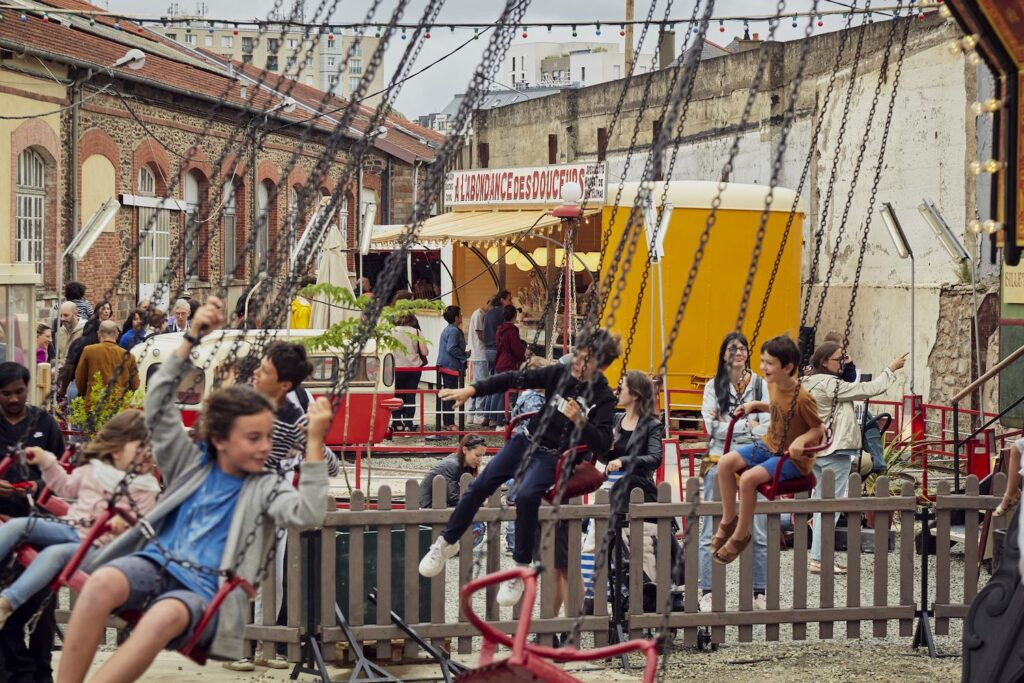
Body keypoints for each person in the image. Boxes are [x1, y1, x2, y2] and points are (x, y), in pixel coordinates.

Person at [57, 296, 333, 683]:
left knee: (162, 617)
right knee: (100, 584)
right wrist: (190, 337)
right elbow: (158, 400)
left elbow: (308, 513)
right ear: (220, 438)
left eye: (267, 437)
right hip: (157, 561)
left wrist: (316, 444)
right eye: (253, 438)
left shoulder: (265, 487)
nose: (265, 447)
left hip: (204, 587)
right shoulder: (188, 463)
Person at [420, 329, 619, 607]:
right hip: (526, 440)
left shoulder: (603, 396)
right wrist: (473, 389)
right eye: (577, 355)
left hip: (551, 455)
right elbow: (515, 378)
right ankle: (445, 543)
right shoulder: (559, 375)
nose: (576, 362)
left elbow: (603, 443)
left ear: (601, 365)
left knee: (526, 496)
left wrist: (581, 422)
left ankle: (519, 568)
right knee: (480, 485)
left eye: (584, 360)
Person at [0, 410, 160, 629]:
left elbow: (143, 529)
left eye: (152, 449)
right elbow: (64, 486)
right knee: (16, 525)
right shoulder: (94, 471)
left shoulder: (145, 489)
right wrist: (46, 462)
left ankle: (6, 603)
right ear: (115, 451)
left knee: (55, 554)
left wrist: (124, 527)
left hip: (101, 550)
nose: (149, 454)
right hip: (71, 529)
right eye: (141, 448)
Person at [712, 335, 825, 565]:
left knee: (748, 480)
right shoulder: (773, 385)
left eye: (769, 363)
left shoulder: (803, 398)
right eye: (762, 361)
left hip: (791, 459)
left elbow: (818, 428)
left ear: (788, 367)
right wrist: (756, 405)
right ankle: (728, 519)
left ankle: (741, 534)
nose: (763, 367)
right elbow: (777, 408)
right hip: (768, 444)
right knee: (725, 464)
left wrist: (802, 439)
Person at [803, 342, 906, 574]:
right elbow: (869, 389)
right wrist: (891, 369)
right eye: (838, 359)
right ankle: (819, 559)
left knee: (821, 505)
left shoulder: (807, 380)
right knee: (832, 505)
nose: (842, 363)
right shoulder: (831, 384)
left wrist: (845, 363)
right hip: (834, 450)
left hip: (816, 450)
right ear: (823, 361)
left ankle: (818, 557)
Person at [0, 362, 65, 683]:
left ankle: (41, 673)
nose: (13, 399)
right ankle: (16, 673)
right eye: (6, 393)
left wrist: (40, 487)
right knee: (5, 606)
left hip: (40, 524)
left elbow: (62, 471)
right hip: (2, 526)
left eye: (19, 392)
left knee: (42, 607)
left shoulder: (44, 423)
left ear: (28, 390)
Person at [698, 332, 770, 611]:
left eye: (743, 348)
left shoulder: (760, 385)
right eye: (732, 348)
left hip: (754, 456)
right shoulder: (713, 387)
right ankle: (708, 589)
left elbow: (768, 424)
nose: (739, 353)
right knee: (712, 526)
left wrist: (739, 426)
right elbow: (712, 426)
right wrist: (747, 426)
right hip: (720, 456)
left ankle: (759, 591)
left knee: (759, 526)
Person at [252, 341, 341, 477]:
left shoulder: (294, 420)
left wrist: (313, 438)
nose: (255, 372)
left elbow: (333, 468)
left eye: (265, 371)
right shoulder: (244, 400)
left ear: (285, 385)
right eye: (260, 366)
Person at [75, 320, 141, 406]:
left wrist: (86, 394)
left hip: (94, 404)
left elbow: (80, 378)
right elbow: (135, 385)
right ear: (117, 334)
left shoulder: (88, 351)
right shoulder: (129, 356)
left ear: (99, 333)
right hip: (117, 407)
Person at [392, 314, 428, 432]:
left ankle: (397, 424)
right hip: (413, 369)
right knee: (410, 396)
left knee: (396, 396)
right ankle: (408, 424)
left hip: (396, 368)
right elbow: (424, 352)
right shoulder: (416, 332)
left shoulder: (391, 331)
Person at [482, 291, 512, 426]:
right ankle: (494, 418)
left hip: (487, 350)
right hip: (497, 351)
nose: (510, 302)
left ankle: (487, 416)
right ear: (502, 300)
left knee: (491, 383)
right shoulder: (502, 313)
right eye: (509, 299)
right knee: (499, 386)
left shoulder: (487, 313)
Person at [436, 306, 467, 432]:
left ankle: (447, 421)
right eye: (460, 314)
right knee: (451, 395)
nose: (461, 316)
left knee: (449, 394)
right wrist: (463, 356)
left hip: (447, 365)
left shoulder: (449, 329)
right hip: (451, 366)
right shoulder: (454, 331)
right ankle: (450, 423)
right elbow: (451, 348)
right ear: (456, 317)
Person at [58, 317, 100, 401]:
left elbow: (69, 367)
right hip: (97, 386)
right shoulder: (100, 346)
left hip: (76, 385)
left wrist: (63, 389)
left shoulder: (77, 343)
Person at [467, 298, 492, 425]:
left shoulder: (481, 314)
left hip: (478, 354)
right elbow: (480, 335)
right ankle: (478, 413)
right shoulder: (479, 314)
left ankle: (472, 413)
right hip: (480, 353)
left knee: (476, 383)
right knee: (482, 384)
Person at [55, 301, 85, 370]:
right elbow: (57, 355)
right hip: (63, 373)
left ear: (75, 314)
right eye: (61, 315)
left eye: (66, 315)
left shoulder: (85, 331)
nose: (62, 318)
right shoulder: (59, 333)